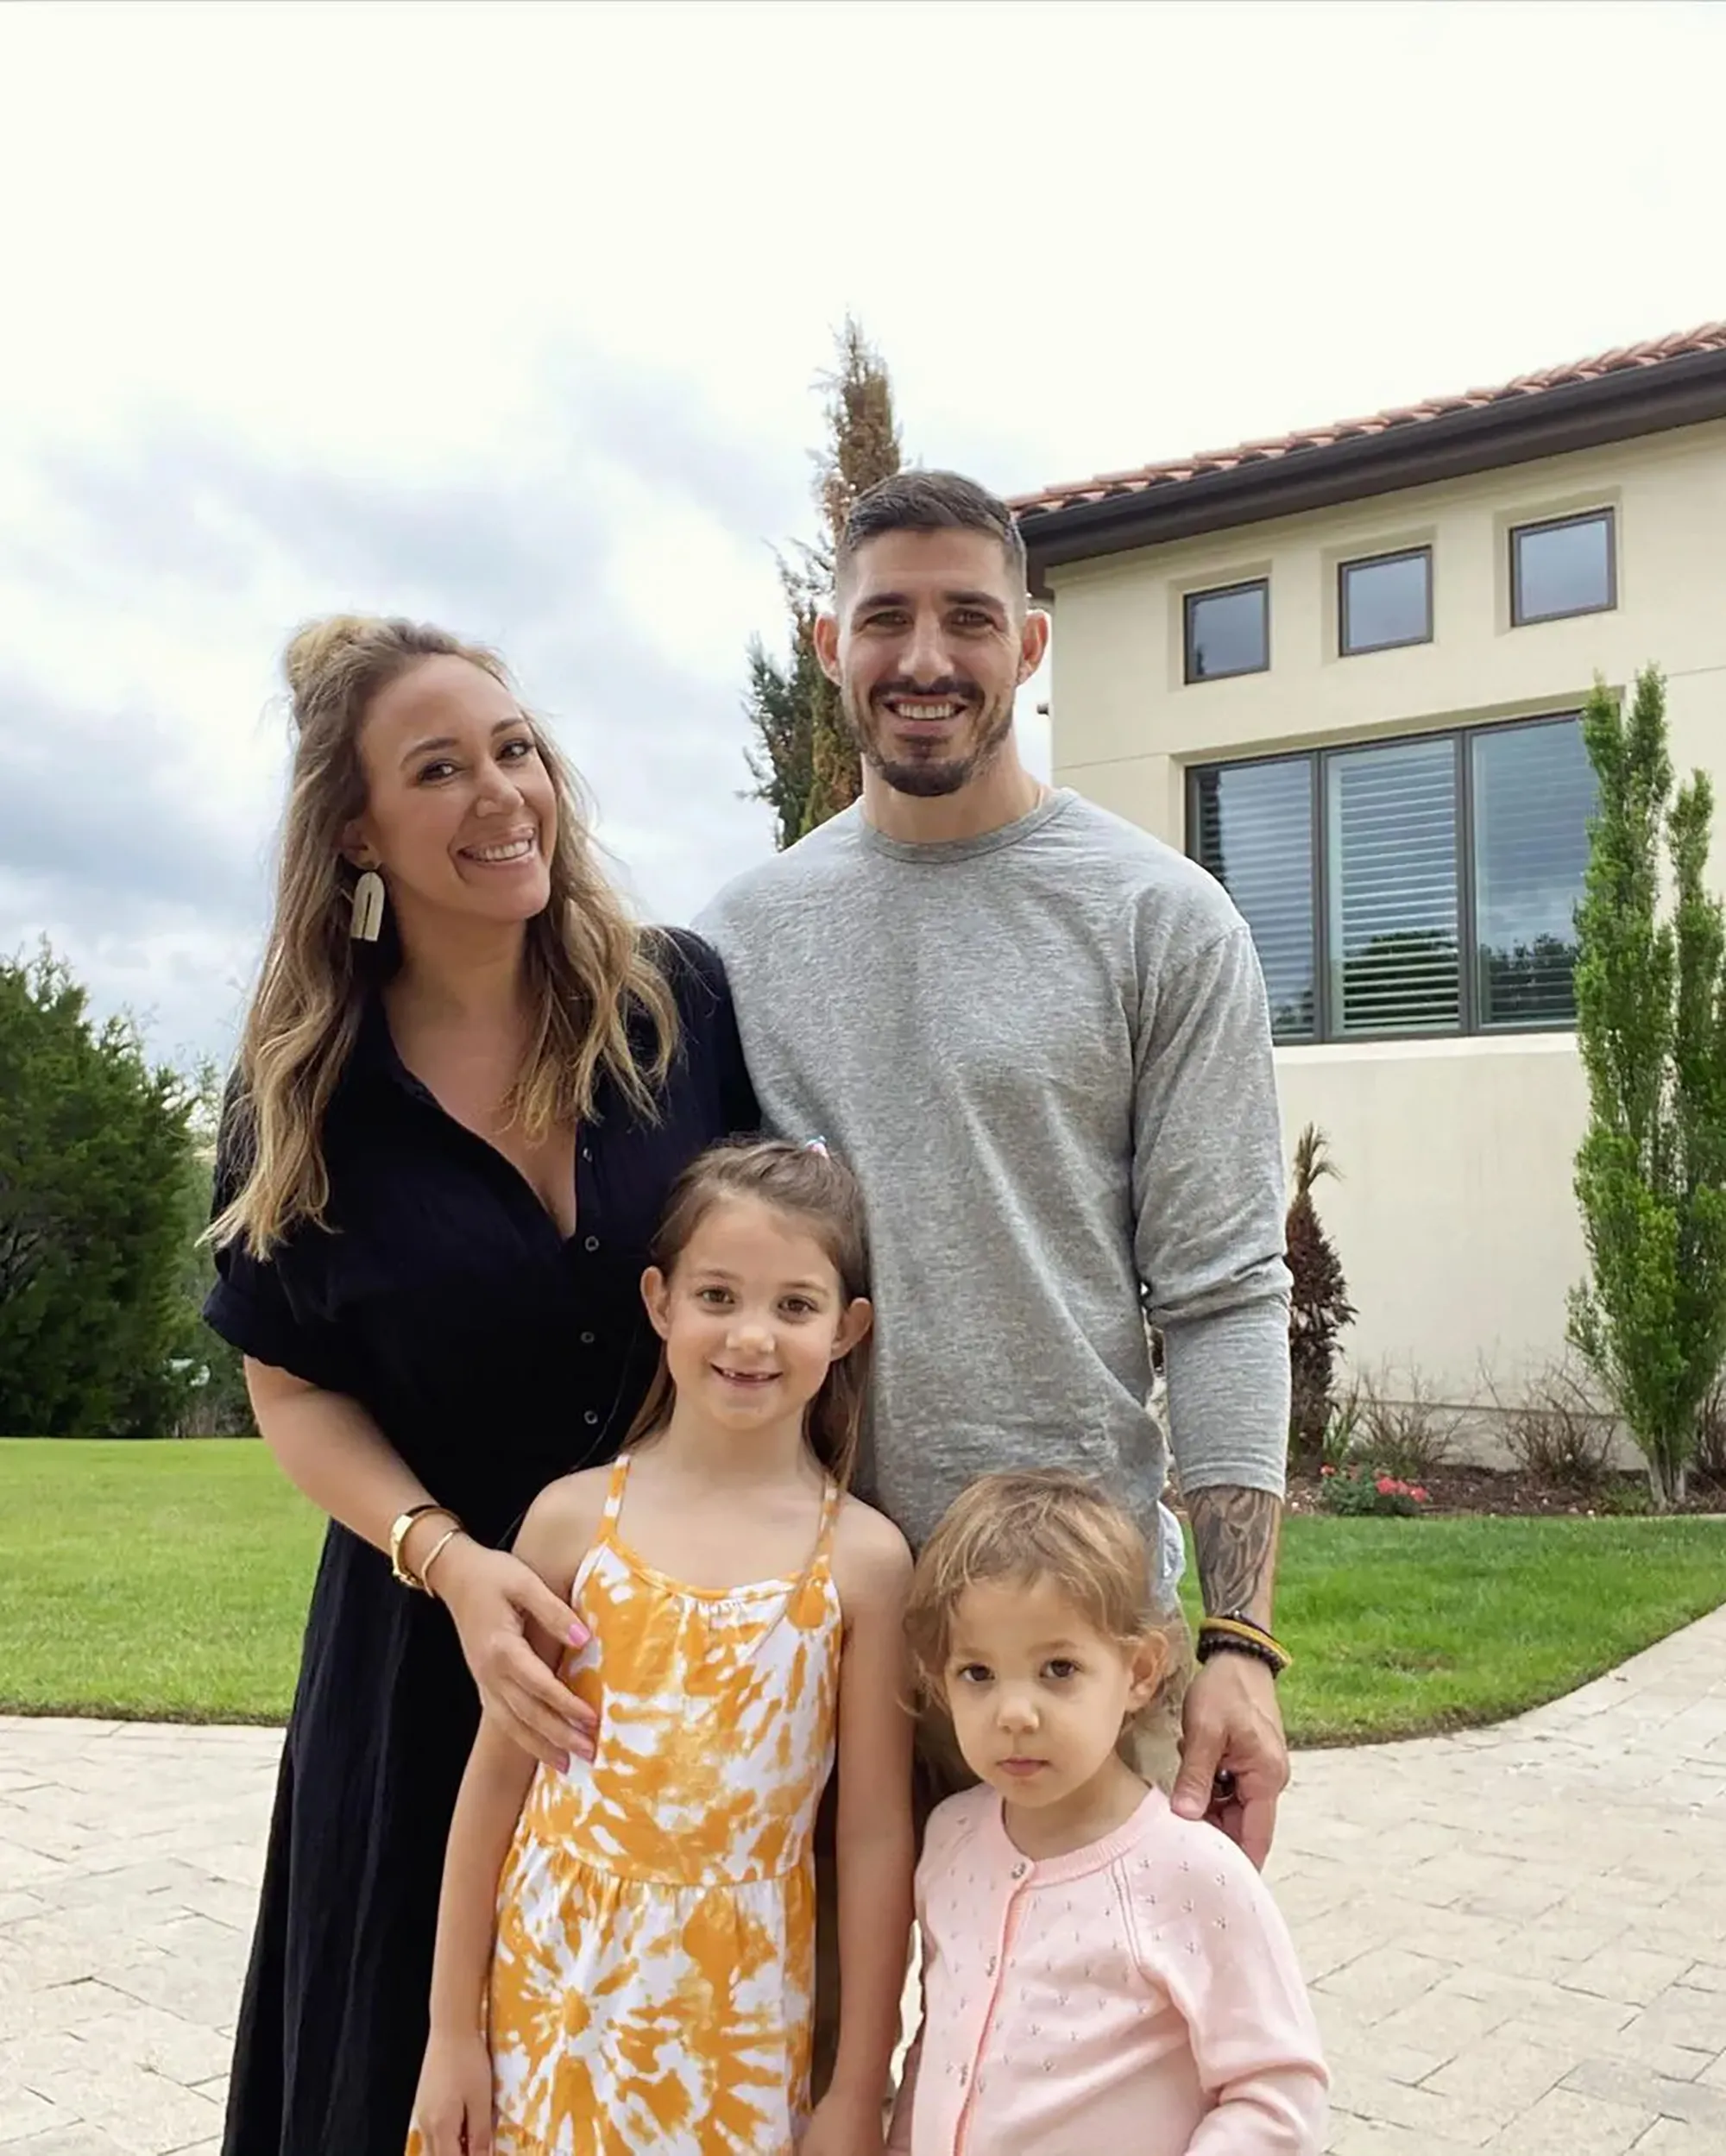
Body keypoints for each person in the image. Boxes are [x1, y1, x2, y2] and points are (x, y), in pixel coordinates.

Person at [204, 615, 758, 2156]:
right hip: (422, 1659)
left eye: (516, 750)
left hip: (673, 1642)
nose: (502, 793)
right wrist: (447, 1559)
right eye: (439, 769)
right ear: (355, 831)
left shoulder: (676, 1003)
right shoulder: (302, 1088)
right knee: (406, 2081)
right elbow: (289, 1389)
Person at [697, 470, 1296, 1870]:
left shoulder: (1163, 921)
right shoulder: (738, 944)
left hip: (1083, 1650)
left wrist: (1238, 1640)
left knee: (1097, 2019)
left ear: (1028, 645)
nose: (925, 657)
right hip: (809, 1638)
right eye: (885, 618)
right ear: (828, 644)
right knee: (811, 2022)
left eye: (968, 617)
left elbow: (1223, 1292)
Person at [406, 1138, 915, 2156]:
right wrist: (450, 2032)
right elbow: (494, 1789)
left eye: (795, 1305)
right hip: (549, 2004)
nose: (751, 1335)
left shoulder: (862, 1563)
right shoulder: (570, 1525)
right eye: (716, 1295)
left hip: (733, 2029)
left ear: (847, 1328)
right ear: (659, 1301)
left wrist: (857, 2085)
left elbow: (868, 1837)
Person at [888, 1471, 1327, 2155]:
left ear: (1140, 1671)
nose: (1015, 1713)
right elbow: (944, 2043)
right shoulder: (950, 1838)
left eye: (1059, 1669)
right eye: (978, 1673)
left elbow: (1279, 2092)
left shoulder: (1193, 1874)